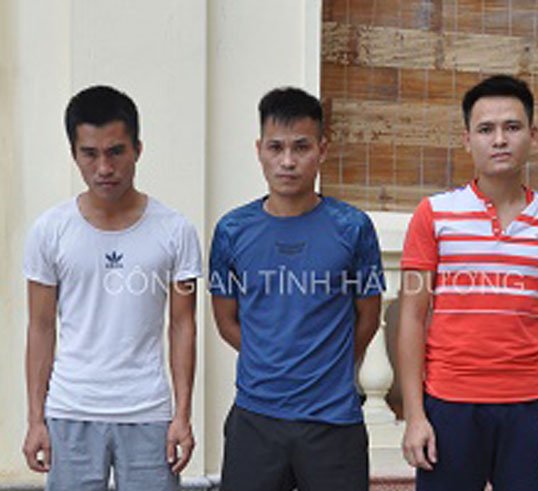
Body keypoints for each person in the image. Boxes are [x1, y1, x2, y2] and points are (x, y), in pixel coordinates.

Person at [399, 74, 538, 491]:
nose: (499, 140)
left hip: (532, 408)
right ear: (467, 140)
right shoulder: (434, 215)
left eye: (512, 127)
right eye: (486, 129)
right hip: (449, 405)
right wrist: (415, 416)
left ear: (533, 135)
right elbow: (412, 317)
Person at [22, 85, 202, 491]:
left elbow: (182, 326)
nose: (104, 167)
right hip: (71, 409)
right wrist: (35, 419)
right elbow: (40, 327)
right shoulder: (50, 230)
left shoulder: (175, 231)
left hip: (149, 411)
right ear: (74, 154)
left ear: (138, 149)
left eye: (116, 151)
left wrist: (182, 415)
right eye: (90, 154)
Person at [209, 86, 385, 491]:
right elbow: (226, 320)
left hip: (333, 420)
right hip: (255, 417)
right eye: (276, 147)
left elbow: (369, 316)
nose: (287, 161)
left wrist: (329, 363)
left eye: (301, 147)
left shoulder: (353, 228)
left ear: (322, 150)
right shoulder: (232, 230)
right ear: (259, 150)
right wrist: (270, 357)